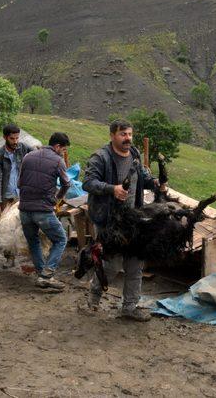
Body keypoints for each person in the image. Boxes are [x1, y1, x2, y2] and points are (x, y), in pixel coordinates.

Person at [82, 119, 158, 322]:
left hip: (133, 220)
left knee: (135, 264)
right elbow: (88, 183)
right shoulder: (101, 157)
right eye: (123, 134)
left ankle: (129, 307)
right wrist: (112, 189)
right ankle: (93, 297)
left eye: (130, 134)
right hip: (109, 221)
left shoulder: (134, 153)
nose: (128, 139)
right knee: (111, 265)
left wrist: (154, 182)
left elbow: (140, 174)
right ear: (112, 135)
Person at [18, 132, 71, 290]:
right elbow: (67, 184)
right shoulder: (58, 161)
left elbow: (20, 182)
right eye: (64, 149)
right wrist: (57, 199)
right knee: (61, 239)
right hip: (43, 210)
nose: (63, 153)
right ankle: (47, 275)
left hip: (24, 209)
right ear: (57, 146)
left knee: (33, 241)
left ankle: (42, 275)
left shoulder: (28, 156)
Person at [0, 124, 33, 214]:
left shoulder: (23, 147)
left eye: (17, 138)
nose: (15, 141)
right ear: (5, 137)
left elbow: (37, 154)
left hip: (22, 194)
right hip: (7, 196)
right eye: (12, 139)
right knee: (5, 223)